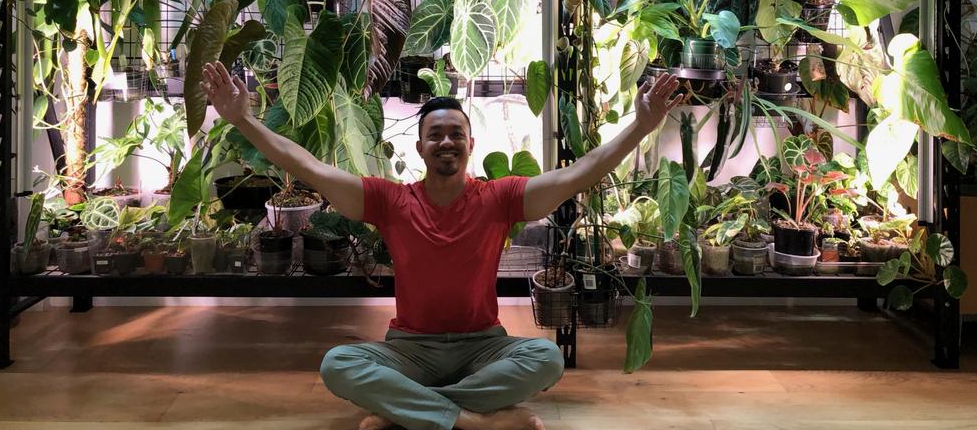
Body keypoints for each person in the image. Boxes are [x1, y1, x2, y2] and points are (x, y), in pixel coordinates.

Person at [202, 61, 682, 430]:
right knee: (337, 364)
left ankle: (408, 412)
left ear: (470, 144)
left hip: (483, 348)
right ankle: (473, 420)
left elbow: (580, 172)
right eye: (436, 135)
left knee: (546, 359)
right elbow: (308, 167)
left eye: (456, 134)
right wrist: (243, 120)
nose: (446, 142)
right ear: (421, 149)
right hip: (410, 350)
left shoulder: (501, 198)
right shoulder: (389, 202)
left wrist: (641, 126)